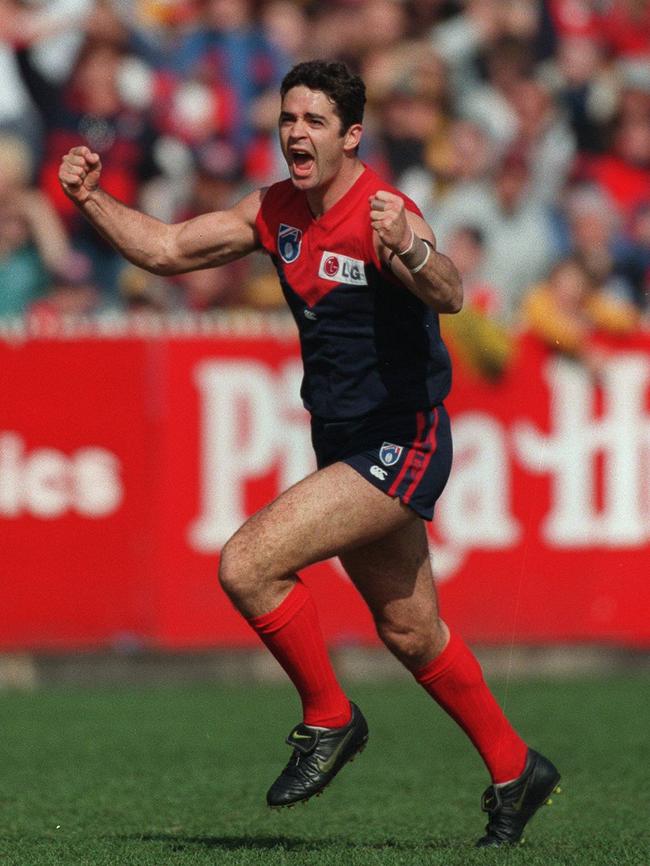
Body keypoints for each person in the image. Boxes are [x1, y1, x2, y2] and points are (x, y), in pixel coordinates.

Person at [58, 59, 560, 848]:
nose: (296, 132)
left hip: (404, 439)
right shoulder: (276, 209)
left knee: (248, 564)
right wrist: (89, 198)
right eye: (289, 118)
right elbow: (164, 249)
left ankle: (330, 718)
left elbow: (453, 293)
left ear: (351, 135)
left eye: (315, 121)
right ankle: (515, 768)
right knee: (411, 632)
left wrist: (416, 254)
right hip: (347, 440)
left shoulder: (384, 212)